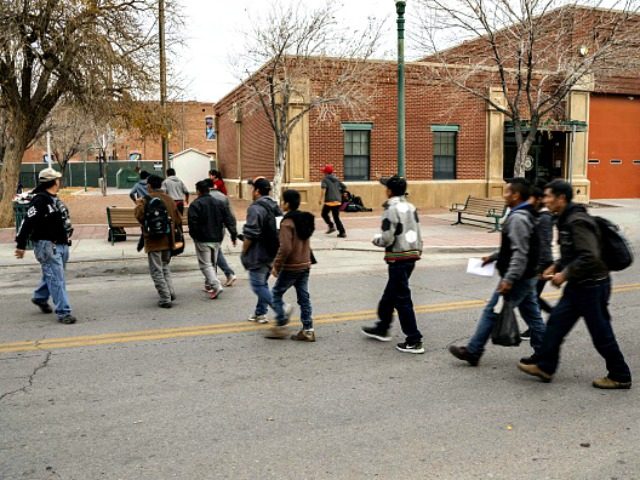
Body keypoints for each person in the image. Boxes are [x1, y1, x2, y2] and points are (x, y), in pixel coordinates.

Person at [518, 180, 632, 389]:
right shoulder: (565, 218)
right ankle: (545, 366)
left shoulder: (577, 221)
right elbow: (573, 252)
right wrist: (556, 265)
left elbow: (589, 256)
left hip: (592, 286)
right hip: (580, 286)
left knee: (600, 333)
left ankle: (620, 375)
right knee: (556, 324)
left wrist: (564, 274)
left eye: (548, 196)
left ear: (561, 198)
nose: (545, 200)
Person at [449, 178, 546, 366]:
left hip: (519, 278)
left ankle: (473, 351)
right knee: (533, 316)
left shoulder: (518, 218)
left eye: (507, 192)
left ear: (516, 195)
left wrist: (509, 279)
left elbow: (520, 253)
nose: (504, 195)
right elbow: (513, 247)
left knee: (491, 311)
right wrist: (493, 257)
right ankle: (545, 354)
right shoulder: (525, 214)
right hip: (528, 276)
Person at [361, 176, 425, 354]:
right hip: (411, 255)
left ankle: (414, 339)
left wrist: (377, 240)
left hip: (397, 257)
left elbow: (387, 237)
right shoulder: (411, 207)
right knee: (391, 294)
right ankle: (382, 326)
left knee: (401, 299)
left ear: (389, 191)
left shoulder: (391, 208)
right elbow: (417, 231)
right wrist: (418, 249)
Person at [15, 167, 76, 324]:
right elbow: (27, 223)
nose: (59, 181)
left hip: (61, 244)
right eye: (57, 179)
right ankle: (64, 312)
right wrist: (20, 245)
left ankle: (40, 297)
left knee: (53, 275)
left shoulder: (54, 199)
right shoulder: (40, 200)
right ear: (53, 182)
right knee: (56, 279)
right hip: (47, 246)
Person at [265, 189, 316, 341]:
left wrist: (276, 265)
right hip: (305, 264)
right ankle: (308, 329)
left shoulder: (287, 222)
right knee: (304, 297)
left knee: (275, 294)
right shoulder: (305, 219)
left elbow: (285, 247)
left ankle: (280, 325)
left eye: (282, 201)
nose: (281, 204)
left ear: (287, 203)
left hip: (292, 266)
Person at [134, 174, 182, 308]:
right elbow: (178, 220)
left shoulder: (144, 200)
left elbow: (138, 217)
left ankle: (165, 298)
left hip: (153, 241)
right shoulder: (169, 199)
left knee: (156, 271)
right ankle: (170, 292)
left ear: (149, 186)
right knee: (165, 266)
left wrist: (138, 204)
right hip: (168, 240)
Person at [241, 177, 282, 323]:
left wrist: (244, 251)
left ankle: (281, 309)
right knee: (263, 283)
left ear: (257, 191)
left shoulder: (255, 208)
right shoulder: (275, 206)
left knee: (258, 285)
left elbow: (251, 234)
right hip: (273, 251)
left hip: (259, 253)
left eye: (253, 189)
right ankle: (260, 313)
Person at [188, 180, 238, 299]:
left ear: (198, 191)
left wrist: (194, 235)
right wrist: (233, 234)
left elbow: (192, 223)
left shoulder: (196, 204)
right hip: (216, 237)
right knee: (212, 262)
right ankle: (209, 284)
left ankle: (215, 285)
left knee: (205, 264)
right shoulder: (219, 203)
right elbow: (228, 219)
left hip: (202, 238)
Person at [521, 185, 555, 340]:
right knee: (532, 297)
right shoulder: (538, 216)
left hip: (543, 264)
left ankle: (547, 320)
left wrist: (542, 268)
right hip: (539, 263)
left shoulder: (545, 217)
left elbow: (545, 243)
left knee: (531, 297)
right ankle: (537, 326)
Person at [205, 177, 237, 286]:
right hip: (220, 228)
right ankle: (212, 280)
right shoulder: (223, 197)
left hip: (208, 229)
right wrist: (233, 233)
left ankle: (223, 276)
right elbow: (230, 216)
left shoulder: (205, 197)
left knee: (212, 254)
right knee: (215, 252)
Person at [319, 164, 346, 238]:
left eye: (324, 172)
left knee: (324, 214)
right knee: (336, 217)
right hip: (338, 201)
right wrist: (340, 193)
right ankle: (342, 232)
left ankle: (331, 226)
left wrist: (320, 199)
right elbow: (344, 187)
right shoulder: (336, 179)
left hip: (329, 201)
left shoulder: (325, 180)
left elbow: (323, 190)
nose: (323, 173)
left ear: (326, 173)